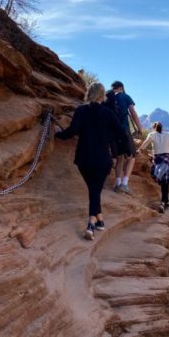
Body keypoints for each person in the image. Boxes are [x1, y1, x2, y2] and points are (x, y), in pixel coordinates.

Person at [55, 82, 125, 240]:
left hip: (84, 159)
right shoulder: (108, 114)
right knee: (95, 190)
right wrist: (109, 139)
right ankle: (90, 225)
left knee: (94, 190)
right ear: (102, 96)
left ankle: (99, 221)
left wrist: (58, 134)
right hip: (102, 160)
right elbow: (121, 133)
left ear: (89, 94)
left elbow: (72, 131)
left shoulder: (81, 110)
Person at [137, 121, 169, 213]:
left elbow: (144, 145)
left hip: (158, 160)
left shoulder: (152, 134)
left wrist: (138, 150)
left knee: (163, 182)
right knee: (165, 182)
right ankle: (165, 201)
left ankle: (164, 202)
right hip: (168, 160)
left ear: (154, 127)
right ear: (162, 127)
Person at [109, 80, 142, 195]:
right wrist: (140, 128)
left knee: (119, 158)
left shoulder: (108, 97)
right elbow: (133, 113)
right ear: (121, 87)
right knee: (132, 156)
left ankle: (117, 184)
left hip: (112, 132)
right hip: (123, 130)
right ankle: (124, 184)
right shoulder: (125, 96)